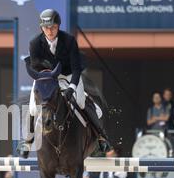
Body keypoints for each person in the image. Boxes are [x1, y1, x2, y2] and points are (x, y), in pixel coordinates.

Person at [17, 8, 110, 159]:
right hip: (46, 78)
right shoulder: (34, 43)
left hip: (69, 75)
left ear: (58, 26)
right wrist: (48, 78)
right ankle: (27, 141)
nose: (50, 31)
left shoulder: (69, 41)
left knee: (80, 103)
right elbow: (36, 68)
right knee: (34, 108)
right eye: (46, 27)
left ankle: (101, 137)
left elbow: (76, 68)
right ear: (42, 28)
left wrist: (72, 88)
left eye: (53, 27)